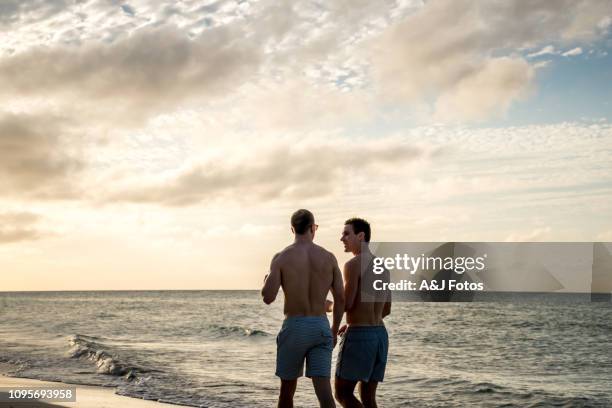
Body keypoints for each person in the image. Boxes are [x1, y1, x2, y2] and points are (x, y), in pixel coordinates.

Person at [262, 209, 345, 408]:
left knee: (287, 392)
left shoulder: (281, 258)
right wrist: (334, 330)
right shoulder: (329, 257)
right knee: (325, 393)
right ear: (312, 228)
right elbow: (340, 299)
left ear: (292, 229)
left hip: (295, 326)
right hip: (320, 326)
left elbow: (268, 297)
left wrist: (267, 280)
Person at [335, 218, 391, 408]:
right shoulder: (383, 267)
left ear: (361, 236)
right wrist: (360, 319)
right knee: (368, 398)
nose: (342, 238)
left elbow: (348, 303)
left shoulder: (352, 265)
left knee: (342, 393)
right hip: (380, 336)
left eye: (346, 233)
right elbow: (387, 308)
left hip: (360, 337)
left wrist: (325, 303)